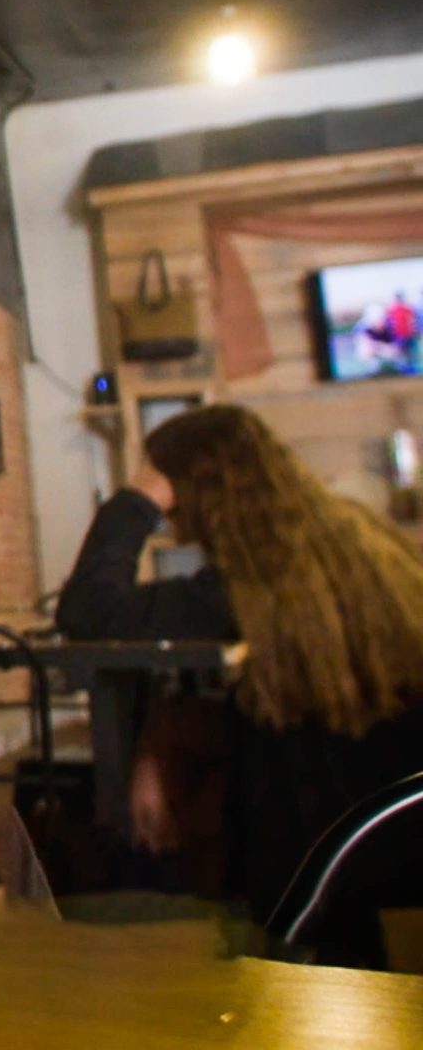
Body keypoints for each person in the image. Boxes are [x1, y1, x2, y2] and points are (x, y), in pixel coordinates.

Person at [58, 404, 423, 962]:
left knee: (249, 789)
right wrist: (162, 735)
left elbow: (90, 610)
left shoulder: (255, 579)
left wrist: (137, 499)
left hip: (335, 849)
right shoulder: (352, 538)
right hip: (396, 805)